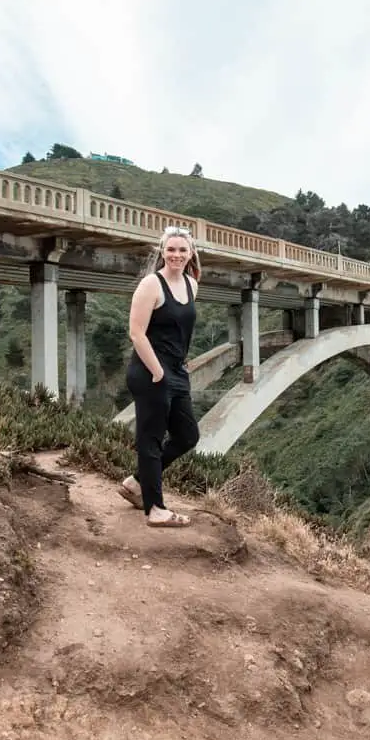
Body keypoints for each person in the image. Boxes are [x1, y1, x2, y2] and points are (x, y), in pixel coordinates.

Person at [118, 225, 201, 527]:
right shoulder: (151, 285)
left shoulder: (192, 284)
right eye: (171, 249)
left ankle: (136, 483)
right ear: (162, 252)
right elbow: (136, 333)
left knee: (188, 435)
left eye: (182, 250)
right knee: (150, 439)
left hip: (176, 371)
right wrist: (157, 371)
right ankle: (155, 509)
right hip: (150, 371)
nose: (176, 255)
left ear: (191, 253)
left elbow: (181, 329)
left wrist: (181, 360)